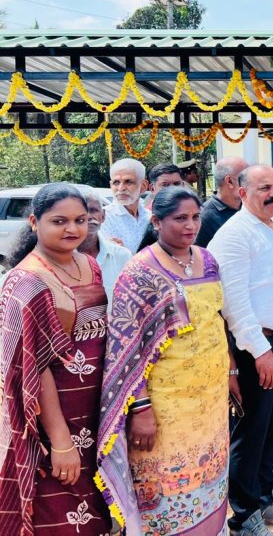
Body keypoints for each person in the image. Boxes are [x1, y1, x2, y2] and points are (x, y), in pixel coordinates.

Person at [97, 187, 233, 535]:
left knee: (211, 472)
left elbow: (217, 319)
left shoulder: (208, 259)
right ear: (156, 221)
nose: (190, 226)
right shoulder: (140, 271)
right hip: (164, 404)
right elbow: (124, 347)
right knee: (164, 484)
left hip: (210, 398)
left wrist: (231, 370)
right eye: (180, 219)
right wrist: (140, 407)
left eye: (195, 217)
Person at [209, 165, 273, 532]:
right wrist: (260, 351)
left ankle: (265, 495)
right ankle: (243, 513)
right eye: (263, 188)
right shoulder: (235, 235)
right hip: (259, 347)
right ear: (241, 193)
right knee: (252, 430)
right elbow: (233, 302)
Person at [0, 184, 111, 535]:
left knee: (95, 508)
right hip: (51, 422)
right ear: (34, 222)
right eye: (59, 221)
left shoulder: (89, 265)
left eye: (80, 220)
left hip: (96, 414)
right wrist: (61, 440)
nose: (72, 229)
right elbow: (33, 368)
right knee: (57, 510)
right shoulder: (27, 281)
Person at [77, 187, 131, 304]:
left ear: (103, 215)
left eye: (93, 210)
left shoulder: (122, 256)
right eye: (83, 211)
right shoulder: (61, 258)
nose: (89, 216)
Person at [195, 156, 249, 248]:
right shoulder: (204, 217)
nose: (251, 183)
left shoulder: (249, 208)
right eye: (246, 179)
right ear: (229, 181)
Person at [101, 157, 151, 252]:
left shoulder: (149, 217)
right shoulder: (103, 218)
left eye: (128, 182)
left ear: (143, 186)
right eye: (116, 182)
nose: (121, 188)